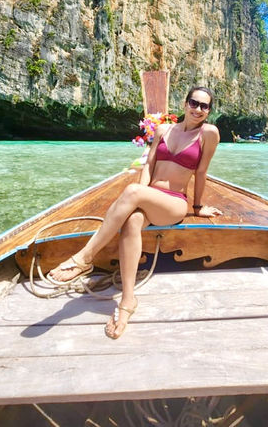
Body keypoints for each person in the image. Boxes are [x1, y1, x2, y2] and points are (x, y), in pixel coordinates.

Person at [48, 86, 221, 339]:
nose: (198, 109)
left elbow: (201, 172)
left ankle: (84, 258)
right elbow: (149, 164)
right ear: (185, 104)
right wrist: (140, 197)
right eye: (194, 103)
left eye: (205, 106)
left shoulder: (209, 133)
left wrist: (197, 207)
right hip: (150, 197)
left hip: (174, 203)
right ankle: (128, 301)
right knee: (132, 221)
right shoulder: (163, 130)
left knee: (132, 192)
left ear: (209, 111)